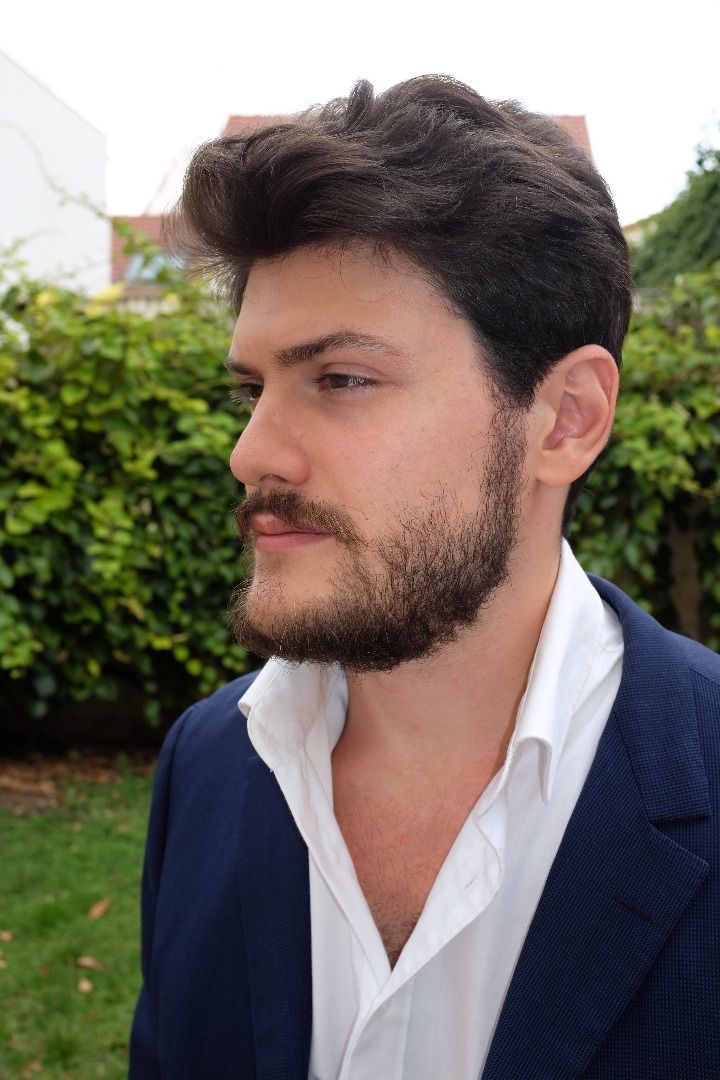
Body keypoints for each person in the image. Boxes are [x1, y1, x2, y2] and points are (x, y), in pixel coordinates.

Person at [129, 77, 720, 1080]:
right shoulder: (209, 763)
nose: (250, 452)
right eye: (252, 388)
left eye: (342, 379)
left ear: (566, 419)